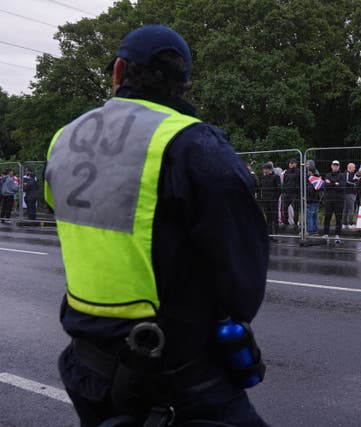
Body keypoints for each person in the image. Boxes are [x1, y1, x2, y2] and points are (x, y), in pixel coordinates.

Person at [44, 25, 269, 426]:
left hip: (86, 365)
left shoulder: (64, 138)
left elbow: (57, 207)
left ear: (117, 72)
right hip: (177, 376)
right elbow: (242, 279)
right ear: (184, 87)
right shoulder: (195, 144)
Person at [323, 160, 346, 243]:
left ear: (339, 166)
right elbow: (326, 186)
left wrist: (331, 184)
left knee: (338, 218)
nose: (335, 166)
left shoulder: (342, 175)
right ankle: (326, 234)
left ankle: (337, 235)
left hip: (339, 200)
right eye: (334, 165)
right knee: (327, 217)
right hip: (329, 199)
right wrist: (335, 184)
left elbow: (342, 187)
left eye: (337, 165)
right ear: (331, 166)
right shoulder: (328, 175)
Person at [258, 163, 282, 240]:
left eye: (265, 169)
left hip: (273, 200)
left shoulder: (276, 177)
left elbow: (279, 190)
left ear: (269, 169)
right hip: (265, 200)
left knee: (275, 217)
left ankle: (276, 234)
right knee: (268, 218)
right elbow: (260, 188)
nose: (263, 170)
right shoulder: (263, 178)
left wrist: (275, 199)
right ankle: (269, 234)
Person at [281, 158, 301, 229]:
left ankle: (296, 223)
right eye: (289, 163)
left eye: (292, 163)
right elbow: (284, 182)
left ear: (295, 164)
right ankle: (285, 223)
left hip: (295, 194)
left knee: (296, 209)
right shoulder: (286, 172)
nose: (290, 164)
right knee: (284, 207)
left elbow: (300, 182)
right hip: (287, 193)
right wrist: (283, 191)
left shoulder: (299, 171)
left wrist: (298, 191)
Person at [305, 165, 322, 235]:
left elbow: (310, 191)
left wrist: (307, 200)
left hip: (311, 201)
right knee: (315, 215)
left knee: (310, 216)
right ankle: (315, 230)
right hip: (317, 200)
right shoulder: (318, 178)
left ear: (310, 172)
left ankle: (310, 231)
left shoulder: (311, 179)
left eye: (308, 171)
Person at [343, 163, 358, 229]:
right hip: (349, 193)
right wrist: (356, 181)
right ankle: (350, 223)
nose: (355, 169)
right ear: (350, 167)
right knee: (351, 209)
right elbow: (347, 181)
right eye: (354, 167)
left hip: (348, 193)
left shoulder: (350, 174)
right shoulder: (347, 173)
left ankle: (344, 223)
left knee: (346, 209)